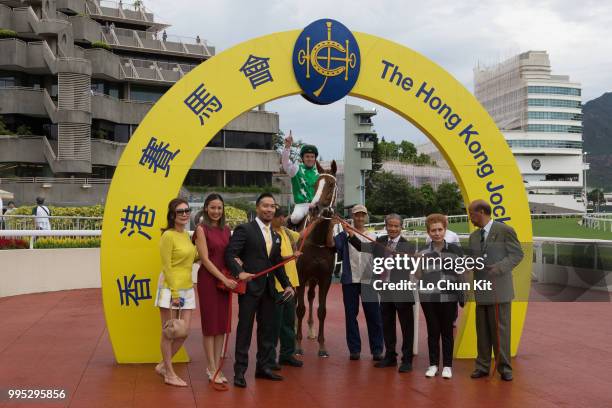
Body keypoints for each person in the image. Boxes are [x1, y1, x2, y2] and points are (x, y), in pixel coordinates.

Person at [225, 193, 294, 388]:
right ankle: (240, 372)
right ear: (257, 208)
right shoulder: (245, 229)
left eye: (272, 206)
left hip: (269, 290)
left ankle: (263, 368)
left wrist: (287, 284)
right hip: (250, 289)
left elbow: (277, 264)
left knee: (268, 331)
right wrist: (239, 273)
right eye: (265, 206)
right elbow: (230, 254)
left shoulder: (275, 235)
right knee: (245, 330)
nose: (269, 209)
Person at [350, 214, 416, 373]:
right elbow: (363, 248)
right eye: (390, 226)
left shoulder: (408, 246)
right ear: (386, 226)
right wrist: (351, 235)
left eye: (396, 226)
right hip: (385, 291)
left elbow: (410, 267)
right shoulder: (380, 241)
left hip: (402, 291)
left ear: (401, 228)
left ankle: (407, 360)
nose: (393, 229)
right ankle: (390, 356)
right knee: (387, 325)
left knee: (407, 328)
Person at [468, 199, 524, 382]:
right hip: (481, 290)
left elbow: (517, 254)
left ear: (482, 212)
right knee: (482, 331)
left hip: (500, 290)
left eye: (472, 214)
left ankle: (505, 368)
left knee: (501, 331)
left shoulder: (505, 230)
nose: (470, 218)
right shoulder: (473, 237)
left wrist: (499, 268)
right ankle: (482, 366)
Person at [154, 198, 198, 387]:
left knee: (184, 331)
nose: (185, 214)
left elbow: (192, 258)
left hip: (187, 287)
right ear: (172, 215)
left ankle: (164, 365)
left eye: (187, 210)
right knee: (169, 333)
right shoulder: (168, 236)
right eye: (180, 211)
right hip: (170, 289)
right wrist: (173, 293)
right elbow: (167, 266)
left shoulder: (186, 235)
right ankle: (169, 373)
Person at [193, 194, 235, 385]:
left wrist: (238, 270)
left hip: (224, 281)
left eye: (219, 208)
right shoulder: (201, 229)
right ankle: (210, 368)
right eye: (212, 208)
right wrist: (223, 279)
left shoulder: (227, 230)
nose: (216, 211)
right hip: (209, 281)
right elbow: (205, 260)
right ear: (205, 208)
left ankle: (217, 366)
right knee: (210, 327)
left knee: (221, 326)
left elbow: (230, 256)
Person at [416, 213, 464, 379]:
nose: (436, 233)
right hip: (429, 299)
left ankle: (448, 366)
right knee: (433, 331)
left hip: (449, 298)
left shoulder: (456, 251)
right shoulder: (422, 252)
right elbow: (417, 276)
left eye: (439, 229)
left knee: (447, 332)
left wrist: (462, 294)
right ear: (428, 232)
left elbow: (461, 274)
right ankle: (433, 364)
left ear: (445, 230)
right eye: (433, 230)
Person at [333, 204, 384, 361]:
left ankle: (377, 350)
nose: (360, 218)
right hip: (350, 280)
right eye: (357, 215)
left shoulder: (374, 236)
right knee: (350, 315)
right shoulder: (342, 236)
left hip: (368, 280)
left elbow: (367, 249)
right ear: (352, 216)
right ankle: (354, 349)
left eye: (362, 215)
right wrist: (330, 225)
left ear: (366, 216)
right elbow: (331, 244)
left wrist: (351, 235)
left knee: (374, 315)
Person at [269, 207, 303, 368]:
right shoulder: (269, 234)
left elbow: (302, 235)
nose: (283, 219)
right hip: (276, 284)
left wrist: (315, 220)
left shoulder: (287, 232)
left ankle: (287, 354)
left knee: (289, 321)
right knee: (274, 322)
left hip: (291, 284)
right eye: (280, 217)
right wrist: (291, 256)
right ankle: (269, 357)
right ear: (273, 218)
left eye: (284, 216)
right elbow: (273, 258)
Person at [282, 130, 319, 226]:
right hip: (302, 205)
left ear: (315, 158)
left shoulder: (320, 172)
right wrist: (287, 147)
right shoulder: (296, 169)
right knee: (295, 218)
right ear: (302, 158)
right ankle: (289, 234)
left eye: (312, 156)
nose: (310, 159)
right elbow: (285, 164)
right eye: (307, 156)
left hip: (318, 206)